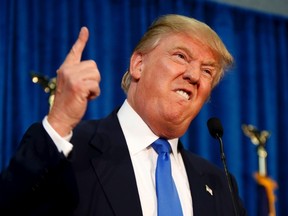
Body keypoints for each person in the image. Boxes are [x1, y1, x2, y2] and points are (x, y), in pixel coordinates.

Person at [0, 14, 247, 216]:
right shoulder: (70, 150)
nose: (194, 75)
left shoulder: (219, 183)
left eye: (207, 71)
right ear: (138, 64)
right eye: (181, 56)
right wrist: (60, 121)